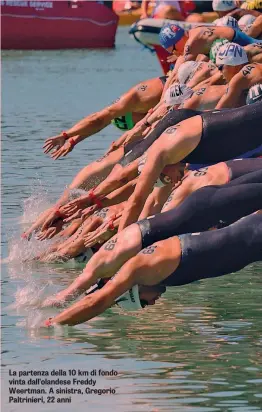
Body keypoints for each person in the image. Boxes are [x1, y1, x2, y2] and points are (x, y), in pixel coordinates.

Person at [42, 168, 262, 305]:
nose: (154, 303)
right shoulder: (128, 251)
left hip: (206, 191)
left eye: (145, 304)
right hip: (205, 195)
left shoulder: (131, 256)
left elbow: (147, 202)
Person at [43, 211, 262, 326]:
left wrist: (53, 323)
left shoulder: (140, 268)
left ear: (133, 292)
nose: (154, 303)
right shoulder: (157, 265)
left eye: (144, 303)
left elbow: (97, 301)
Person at [118, 101, 262, 229]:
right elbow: (155, 202)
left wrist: (123, 239)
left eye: (167, 179)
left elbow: (138, 201)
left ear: (162, 169)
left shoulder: (175, 149)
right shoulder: (184, 160)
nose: (175, 181)